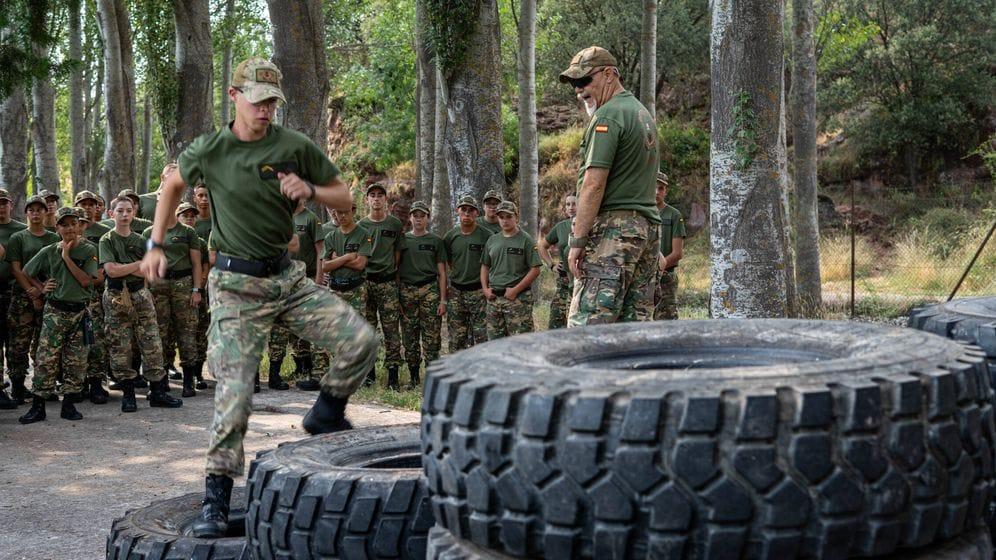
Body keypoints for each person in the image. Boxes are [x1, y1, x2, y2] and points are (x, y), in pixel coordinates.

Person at [141, 57, 377, 538]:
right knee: (236, 391)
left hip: (285, 280)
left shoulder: (294, 146)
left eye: (272, 101)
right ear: (233, 97)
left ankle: (325, 414)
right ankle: (216, 499)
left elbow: (345, 196)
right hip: (234, 286)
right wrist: (156, 243)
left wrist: (309, 188)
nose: (266, 109)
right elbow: (171, 187)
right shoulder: (212, 149)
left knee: (361, 342)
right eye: (257, 99)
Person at [560, 46, 660, 326]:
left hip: (613, 234)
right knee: (633, 330)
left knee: (588, 329)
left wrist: (577, 241)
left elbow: (593, 184)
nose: (579, 91)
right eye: (574, 84)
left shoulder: (607, 116)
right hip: (645, 232)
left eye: (583, 81)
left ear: (609, 74)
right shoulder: (641, 114)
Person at [100, 195, 183, 413]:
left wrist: (126, 267)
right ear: (112, 214)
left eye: (128, 210)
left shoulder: (141, 240)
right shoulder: (106, 240)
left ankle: (157, 392)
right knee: (121, 345)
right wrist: (138, 263)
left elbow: (151, 270)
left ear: (134, 213)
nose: (124, 214)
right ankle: (128, 395)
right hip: (117, 296)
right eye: (120, 211)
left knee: (152, 342)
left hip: (141, 294)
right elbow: (111, 271)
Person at [17, 207, 99, 423]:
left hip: (80, 312)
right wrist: (42, 286)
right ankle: (38, 407)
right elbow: (26, 271)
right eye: (65, 224)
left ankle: (69, 405)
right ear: (57, 227)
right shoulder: (49, 251)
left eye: (74, 223)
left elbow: (85, 280)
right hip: (55, 312)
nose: (70, 228)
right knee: (46, 359)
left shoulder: (89, 249)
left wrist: (67, 257)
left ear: (79, 225)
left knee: (77, 360)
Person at [142, 195, 203, 398]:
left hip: (183, 284)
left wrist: (196, 290)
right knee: (160, 333)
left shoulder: (188, 232)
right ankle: (162, 380)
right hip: (158, 285)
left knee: (186, 331)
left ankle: (188, 381)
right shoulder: (150, 233)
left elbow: (196, 264)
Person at [5, 195, 60, 405]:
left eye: (40, 209)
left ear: (46, 212)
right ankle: (18, 387)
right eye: (31, 210)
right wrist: (32, 291)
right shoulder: (18, 238)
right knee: (18, 343)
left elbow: (56, 268)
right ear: (26, 213)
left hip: (48, 296)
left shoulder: (54, 239)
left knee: (44, 344)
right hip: (22, 296)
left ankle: (42, 386)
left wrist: (43, 292)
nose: (36, 213)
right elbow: (16, 268)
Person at [267, 198, 323, 391]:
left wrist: (318, 281)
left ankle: (304, 369)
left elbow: (320, 252)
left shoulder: (311, 218)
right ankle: (274, 374)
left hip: (304, 279)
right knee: (278, 327)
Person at [357, 182, 404, 389]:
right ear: (367, 200)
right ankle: (369, 373)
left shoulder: (394, 224)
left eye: (380, 195)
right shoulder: (360, 226)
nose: (376, 198)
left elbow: (398, 254)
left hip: (387, 283)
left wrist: (392, 274)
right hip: (366, 282)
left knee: (391, 330)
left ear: (386, 200)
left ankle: (393, 374)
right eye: (372, 195)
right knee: (367, 329)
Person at [398, 201, 446, 388]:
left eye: (422, 216)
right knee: (409, 336)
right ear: (410, 218)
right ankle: (413, 378)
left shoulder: (435, 241)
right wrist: (398, 295)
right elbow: (397, 267)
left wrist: (443, 300)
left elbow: (442, 273)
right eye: (415, 215)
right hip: (407, 291)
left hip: (430, 292)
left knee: (432, 337)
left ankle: (432, 380)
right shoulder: (403, 240)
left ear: (427, 218)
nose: (418, 219)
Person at [322, 203, 372, 371]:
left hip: (355, 289)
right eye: (339, 212)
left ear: (353, 211)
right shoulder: (330, 236)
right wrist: (348, 257)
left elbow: (360, 264)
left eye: (346, 212)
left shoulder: (363, 235)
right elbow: (325, 266)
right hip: (335, 289)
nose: (342, 216)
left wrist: (337, 258)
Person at [481, 202, 541, 339]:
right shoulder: (492, 240)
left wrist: (516, 290)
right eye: (501, 217)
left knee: (521, 343)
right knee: (495, 344)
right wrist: (485, 289)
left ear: (516, 218)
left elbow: (535, 269)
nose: (505, 220)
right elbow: (485, 266)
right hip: (494, 300)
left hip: (517, 300)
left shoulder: (526, 240)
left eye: (509, 216)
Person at [75, 191, 112, 404]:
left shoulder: (105, 232)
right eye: (83, 204)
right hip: (72, 293)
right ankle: (76, 384)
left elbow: (105, 265)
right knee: (76, 341)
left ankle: (97, 384)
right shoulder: (66, 232)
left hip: (97, 293)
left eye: (92, 204)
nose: (88, 208)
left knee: (97, 338)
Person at [443, 196, 492, 351]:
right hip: (457, 293)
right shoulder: (450, 236)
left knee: (482, 337)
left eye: (471, 210)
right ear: (458, 211)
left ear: (477, 213)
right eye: (463, 209)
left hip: (479, 293)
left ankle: (482, 373)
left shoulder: (487, 235)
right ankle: (457, 374)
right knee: (457, 339)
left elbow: (492, 262)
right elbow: (449, 261)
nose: (467, 213)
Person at [177, 201, 211, 390]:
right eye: (185, 215)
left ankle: (197, 374)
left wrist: (199, 285)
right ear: (177, 217)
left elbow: (205, 265)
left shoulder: (200, 242)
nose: (189, 219)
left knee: (199, 333)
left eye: (192, 216)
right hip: (175, 291)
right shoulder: (170, 237)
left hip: (197, 292)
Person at [0, 189, 26, 409]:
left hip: (15, 292)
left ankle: (18, 384)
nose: (0, 207)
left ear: (10, 204)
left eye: (3, 203)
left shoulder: (20, 231)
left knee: (17, 341)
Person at [538, 194, 577, 330]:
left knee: (577, 322)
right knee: (556, 322)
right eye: (568, 204)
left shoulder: (591, 224)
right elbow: (542, 246)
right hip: (564, 281)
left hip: (583, 281)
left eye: (574, 204)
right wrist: (551, 265)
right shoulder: (561, 227)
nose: (571, 207)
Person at [654, 172, 686, 320]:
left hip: (665, 276)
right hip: (642, 278)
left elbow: (677, 253)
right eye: (653, 188)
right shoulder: (641, 214)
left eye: (661, 188)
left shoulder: (673, 215)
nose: (656, 192)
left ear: (666, 191)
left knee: (666, 320)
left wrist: (659, 268)